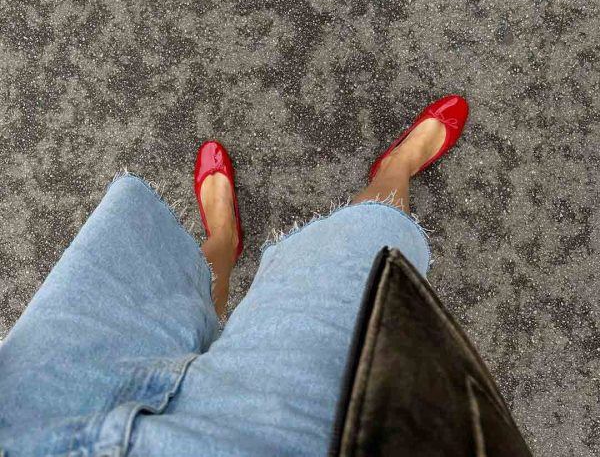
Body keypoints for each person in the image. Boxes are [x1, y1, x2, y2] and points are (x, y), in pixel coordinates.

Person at [1, 94, 469, 456]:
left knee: (170, 299)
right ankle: (394, 171)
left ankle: (223, 243)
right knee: (358, 267)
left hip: (33, 418)